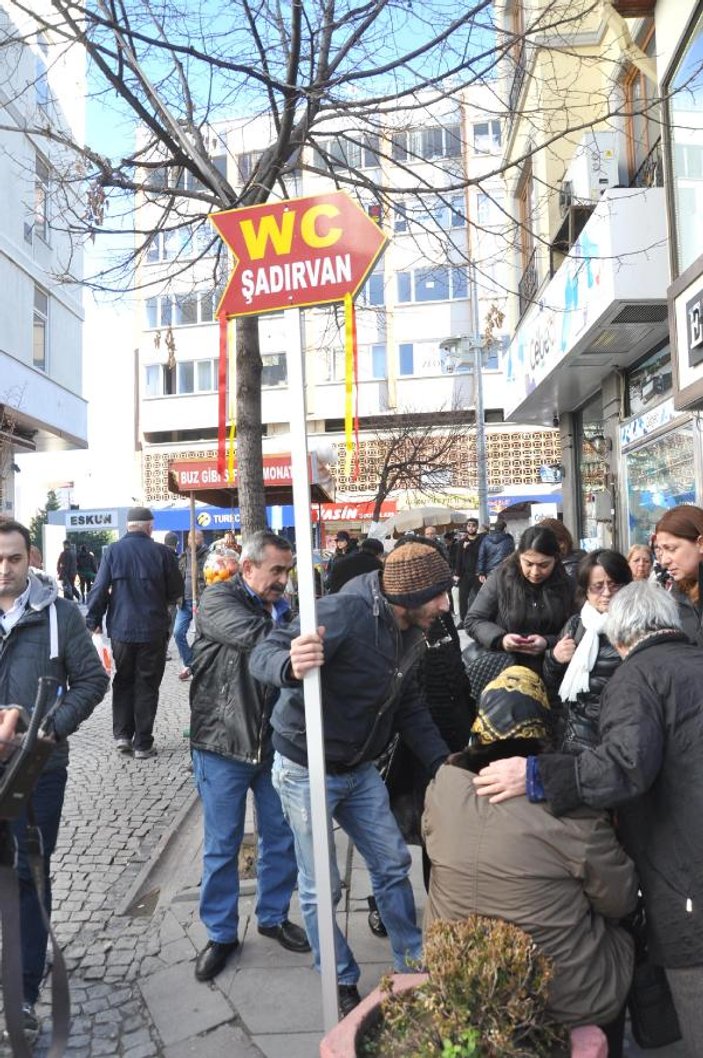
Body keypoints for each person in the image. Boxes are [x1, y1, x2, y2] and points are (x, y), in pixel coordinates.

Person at [472, 581, 703, 1058]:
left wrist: (535, 773)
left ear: (619, 637)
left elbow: (624, 765)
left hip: (688, 875)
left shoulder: (638, 677)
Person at [249, 540, 453, 1016]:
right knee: (324, 884)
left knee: (391, 863)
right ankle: (340, 979)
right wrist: (289, 663)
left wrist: (442, 763)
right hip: (305, 765)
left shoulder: (411, 630)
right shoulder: (343, 612)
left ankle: (411, 963)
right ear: (409, 594)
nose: (445, 605)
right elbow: (265, 653)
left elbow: (408, 705)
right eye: (438, 594)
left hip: (359, 768)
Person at [423, 665, 636, 1043]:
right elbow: (619, 901)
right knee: (623, 939)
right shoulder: (576, 812)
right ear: (545, 733)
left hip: (454, 977)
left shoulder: (442, 788)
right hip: (557, 997)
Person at [0, 520, 109, 1042]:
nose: (5, 568)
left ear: (30, 559)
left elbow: (92, 679)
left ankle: (21, 994)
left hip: (38, 770)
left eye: (14, 559)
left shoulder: (59, 615)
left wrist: (50, 728)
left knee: (28, 877)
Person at [189, 530, 309, 982]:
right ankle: (220, 933)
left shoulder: (285, 608)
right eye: (276, 570)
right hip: (223, 742)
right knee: (222, 845)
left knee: (280, 837)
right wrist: (302, 635)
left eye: (287, 570)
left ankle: (273, 915)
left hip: (275, 744)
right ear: (248, 568)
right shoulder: (220, 601)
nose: (283, 579)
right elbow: (263, 641)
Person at [85, 506, 183, 758]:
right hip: (153, 629)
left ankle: (122, 735)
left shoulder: (113, 552)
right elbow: (175, 592)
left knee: (123, 680)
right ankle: (143, 743)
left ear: (128, 526)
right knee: (147, 684)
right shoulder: (163, 553)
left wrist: (93, 619)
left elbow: (98, 589)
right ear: (150, 527)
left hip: (121, 630)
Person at [542, 549, 631, 753]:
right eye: (598, 587)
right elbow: (552, 682)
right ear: (586, 591)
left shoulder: (638, 626)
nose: (607, 593)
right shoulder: (577, 625)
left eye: (614, 585)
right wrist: (554, 659)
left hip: (620, 736)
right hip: (576, 736)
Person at [464, 525, 575, 678]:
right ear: (519, 556)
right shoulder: (500, 579)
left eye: (544, 565)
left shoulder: (567, 585)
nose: (535, 572)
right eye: (528, 564)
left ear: (555, 559)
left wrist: (548, 642)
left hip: (554, 673)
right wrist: (501, 639)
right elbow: (473, 620)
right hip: (506, 674)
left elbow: (576, 628)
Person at [654, 504, 703, 645]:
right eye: (661, 551)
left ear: (700, 543)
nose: (664, 561)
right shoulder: (674, 595)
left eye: (671, 549)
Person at [174, 529, 209, 680]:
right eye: (189, 538)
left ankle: (201, 666)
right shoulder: (183, 556)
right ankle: (191, 663)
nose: (192, 541)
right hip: (184, 601)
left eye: (195, 538)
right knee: (178, 632)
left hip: (201, 601)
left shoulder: (208, 557)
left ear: (201, 539)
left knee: (200, 635)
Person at [453, 517, 482, 620]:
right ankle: (464, 619)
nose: (471, 528)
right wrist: (457, 574)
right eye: (469, 526)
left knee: (481, 596)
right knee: (463, 598)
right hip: (465, 574)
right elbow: (459, 559)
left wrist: (469, 548)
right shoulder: (462, 542)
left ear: (477, 527)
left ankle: (481, 618)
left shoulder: (481, 540)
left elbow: (481, 555)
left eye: (473, 526)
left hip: (478, 573)